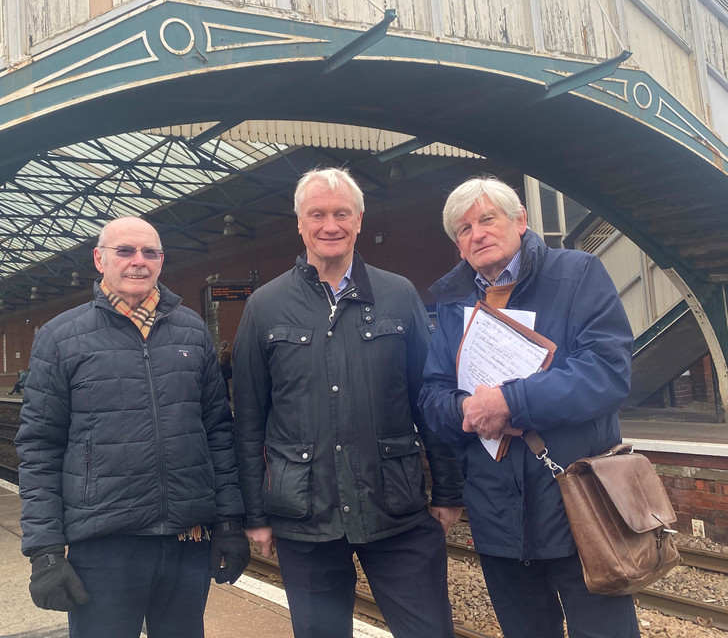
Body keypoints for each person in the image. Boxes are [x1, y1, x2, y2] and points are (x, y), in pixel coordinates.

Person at [233, 167, 465, 638]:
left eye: (341, 213)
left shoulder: (399, 294)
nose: (330, 225)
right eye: (317, 214)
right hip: (305, 516)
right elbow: (250, 420)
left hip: (394, 507)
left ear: (359, 220)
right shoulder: (264, 305)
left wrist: (447, 490)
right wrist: (254, 514)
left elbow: (430, 397)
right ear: (299, 224)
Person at [418, 176, 639, 638]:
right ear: (458, 246)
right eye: (462, 229)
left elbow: (607, 373)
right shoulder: (455, 306)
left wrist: (511, 402)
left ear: (520, 220)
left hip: (580, 503)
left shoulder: (577, 274)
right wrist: (468, 411)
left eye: (487, 219)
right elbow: (432, 394)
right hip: (497, 511)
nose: (476, 233)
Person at [14, 216, 250, 638]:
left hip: (186, 542)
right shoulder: (61, 337)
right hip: (104, 547)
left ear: (161, 261)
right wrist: (45, 551)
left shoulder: (192, 331)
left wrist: (230, 522)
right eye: (125, 251)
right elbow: (39, 447)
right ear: (99, 259)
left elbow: (217, 431)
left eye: (150, 252)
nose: (138, 262)